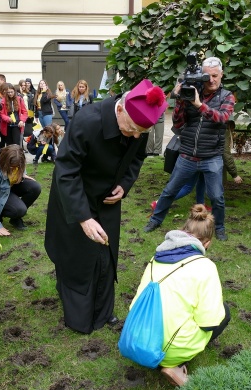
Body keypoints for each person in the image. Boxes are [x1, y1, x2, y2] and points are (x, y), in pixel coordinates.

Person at [45, 78, 167, 334]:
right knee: (78, 256)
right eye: (132, 129)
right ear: (120, 109)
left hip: (108, 199)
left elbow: (137, 158)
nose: (136, 136)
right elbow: (66, 171)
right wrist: (83, 217)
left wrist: (125, 183)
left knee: (105, 254)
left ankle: (103, 312)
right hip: (75, 198)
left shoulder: (137, 126)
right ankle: (79, 316)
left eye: (140, 133)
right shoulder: (87, 121)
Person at [132, 204, 230, 386]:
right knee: (224, 312)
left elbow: (135, 304)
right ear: (206, 243)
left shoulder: (156, 258)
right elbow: (208, 322)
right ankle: (176, 363)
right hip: (168, 350)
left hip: (139, 338)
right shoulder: (205, 266)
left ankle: (168, 354)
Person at [144, 57, 235, 241]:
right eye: (207, 76)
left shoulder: (227, 96)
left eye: (215, 76)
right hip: (187, 155)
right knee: (169, 190)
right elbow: (178, 123)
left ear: (221, 75)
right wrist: (179, 100)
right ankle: (155, 220)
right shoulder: (192, 92)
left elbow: (222, 117)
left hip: (211, 157)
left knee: (217, 197)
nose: (211, 80)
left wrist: (199, 105)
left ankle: (219, 228)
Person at [0, 145, 41, 236]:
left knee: (35, 187)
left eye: (17, 167)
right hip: (0, 194)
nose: (14, 169)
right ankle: (2, 214)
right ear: (5, 162)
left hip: (10, 187)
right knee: (20, 210)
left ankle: (15, 218)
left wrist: (22, 174)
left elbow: (21, 165)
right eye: (11, 168)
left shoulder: (16, 154)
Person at [0, 83, 27, 149]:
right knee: (9, 144)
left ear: (14, 91)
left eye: (11, 92)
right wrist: (7, 118)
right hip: (7, 125)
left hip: (17, 125)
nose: (10, 94)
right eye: (8, 92)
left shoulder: (19, 99)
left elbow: (25, 112)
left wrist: (22, 121)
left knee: (16, 144)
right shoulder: (3, 101)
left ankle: (16, 158)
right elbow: (1, 114)